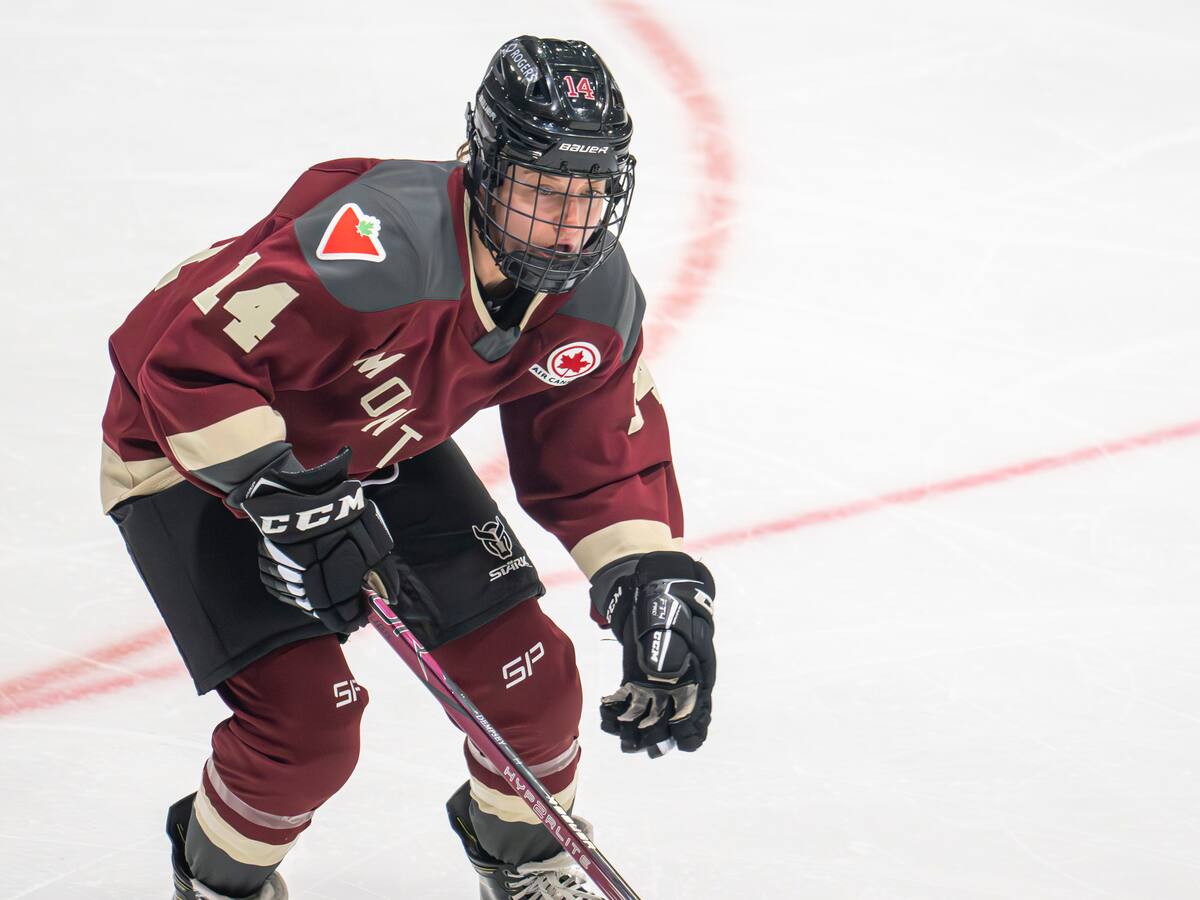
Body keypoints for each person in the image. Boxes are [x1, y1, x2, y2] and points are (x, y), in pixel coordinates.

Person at [100, 34, 717, 900]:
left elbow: (597, 458)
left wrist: (650, 570)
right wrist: (287, 496)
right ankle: (216, 882)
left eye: (589, 194)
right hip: (192, 453)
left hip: (378, 444)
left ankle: (526, 861)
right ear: (487, 166)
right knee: (308, 729)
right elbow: (184, 364)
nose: (568, 223)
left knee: (536, 685)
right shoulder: (378, 242)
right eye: (544, 189)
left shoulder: (595, 294)